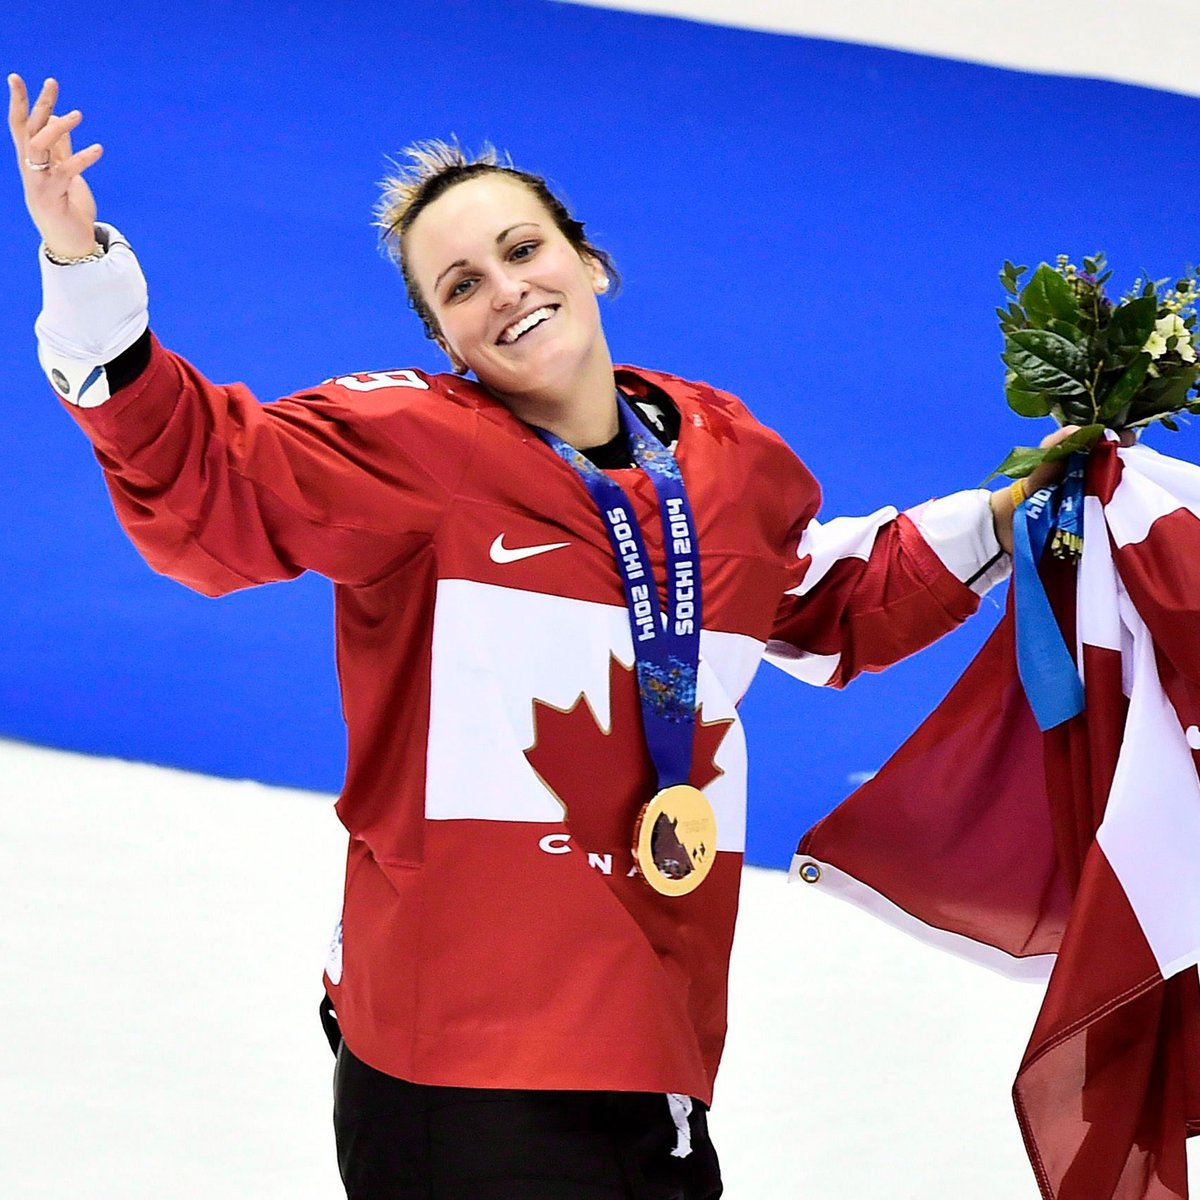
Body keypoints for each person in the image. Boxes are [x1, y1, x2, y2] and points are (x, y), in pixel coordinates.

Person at [9, 73, 1070, 1200]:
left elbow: (823, 600)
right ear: (444, 338)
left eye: (523, 251)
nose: (506, 290)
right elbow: (205, 476)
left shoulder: (722, 452)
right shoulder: (410, 446)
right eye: (462, 284)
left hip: (648, 1017)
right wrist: (84, 272)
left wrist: (1018, 510)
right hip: (455, 1045)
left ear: (588, 259)